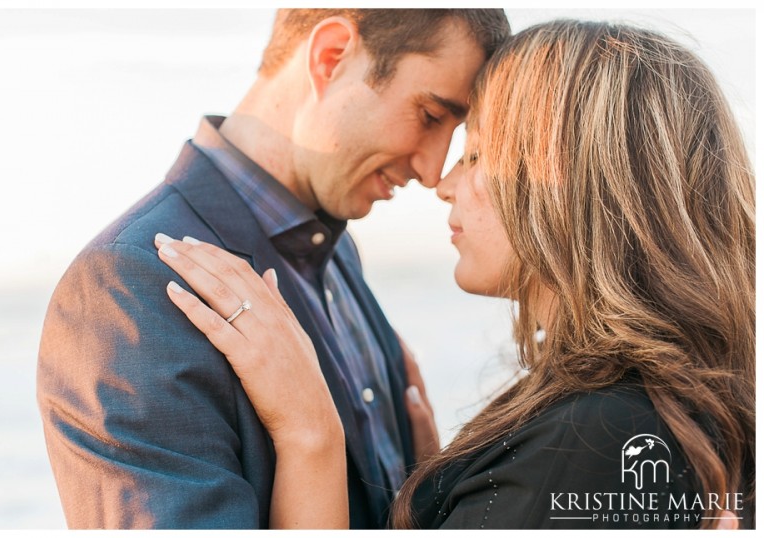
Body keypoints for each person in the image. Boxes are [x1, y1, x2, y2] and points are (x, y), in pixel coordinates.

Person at [156, 20, 755, 529]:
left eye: (476, 155)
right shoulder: (639, 414)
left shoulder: (598, 440)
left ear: (572, 187)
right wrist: (452, 486)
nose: (441, 183)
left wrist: (310, 432)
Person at [37, 8, 511, 529]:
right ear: (331, 56)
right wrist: (311, 437)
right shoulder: (129, 288)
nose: (432, 169)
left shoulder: (337, 253)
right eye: (429, 115)